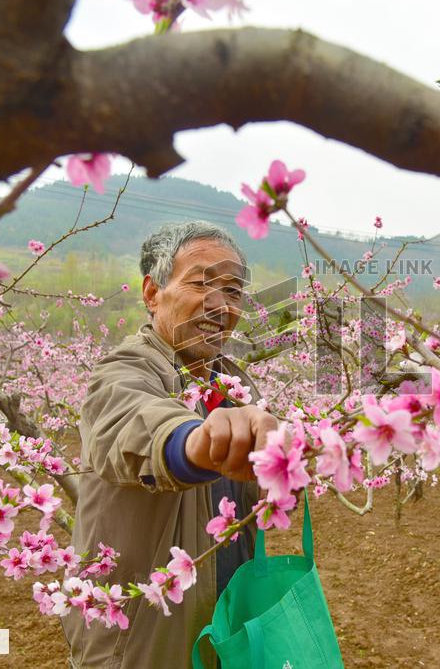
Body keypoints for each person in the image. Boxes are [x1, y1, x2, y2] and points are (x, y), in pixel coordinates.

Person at [62, 221, 280, 668]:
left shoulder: (235, 386)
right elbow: (136, 422)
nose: (220, 305)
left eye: (234, 291)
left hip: (223, 635)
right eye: (201, 283)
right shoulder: (125, 371)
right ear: (152, 293)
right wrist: (197, 441)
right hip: (143, 646)